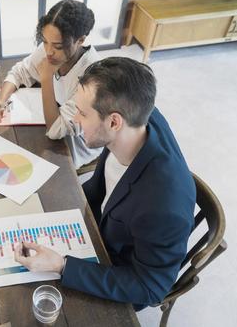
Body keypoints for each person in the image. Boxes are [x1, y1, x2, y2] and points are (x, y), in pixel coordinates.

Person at [14, 57, 195, 310]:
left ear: (114, 121)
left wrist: (62, 265)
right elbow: (100, 190)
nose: (75, 119)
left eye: (83, 113)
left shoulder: (163, 206)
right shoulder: (132, 123)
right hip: (100, 226)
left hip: (120, 271)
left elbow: (151, 288)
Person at [0, 0, 102, 168]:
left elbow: (56, 131)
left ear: (80, 40)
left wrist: (46, 77)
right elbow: (21, 71)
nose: (48, 51)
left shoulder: (92, 76)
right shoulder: (51, 50)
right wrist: (1, 100)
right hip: (52, 118)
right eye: (45, 41)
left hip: (75, 147)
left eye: (57, 45)